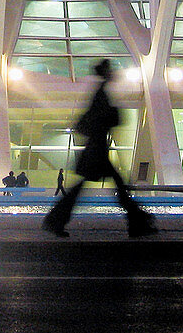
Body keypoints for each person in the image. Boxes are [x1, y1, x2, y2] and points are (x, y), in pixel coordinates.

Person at [43, 59, 156, 238]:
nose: (113, 72)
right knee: (115, 186)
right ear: (105, 72)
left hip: (96, 150)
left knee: (91, 187)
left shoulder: (100, 92)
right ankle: (137, 222)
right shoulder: (101, 93)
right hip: (97, 151)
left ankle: (56, 220)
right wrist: (114, 113)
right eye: (110, 69)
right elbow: (108, 119)